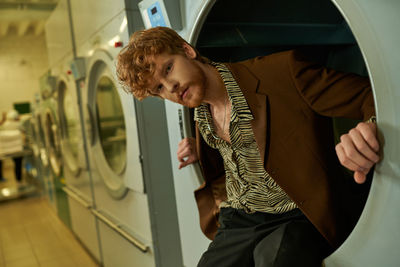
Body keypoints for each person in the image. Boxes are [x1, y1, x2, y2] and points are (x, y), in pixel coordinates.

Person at [116, 27, 379, 267]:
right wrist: (201, 147)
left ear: (188, 51)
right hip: (241, 217)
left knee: (273, 259)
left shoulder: (282, 71)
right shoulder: (201, 116)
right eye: (159, 88)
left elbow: (370, 95)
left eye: (168, 68)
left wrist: (368, 128)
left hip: (299, 211)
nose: (170, 86)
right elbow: (240, 146)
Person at [0, 109, 24, 183]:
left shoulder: (4, 125)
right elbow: (23, 130)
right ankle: (18, 179)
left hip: (5, 150)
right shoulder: (18, 124)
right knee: (18, 164)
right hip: (17, 149)